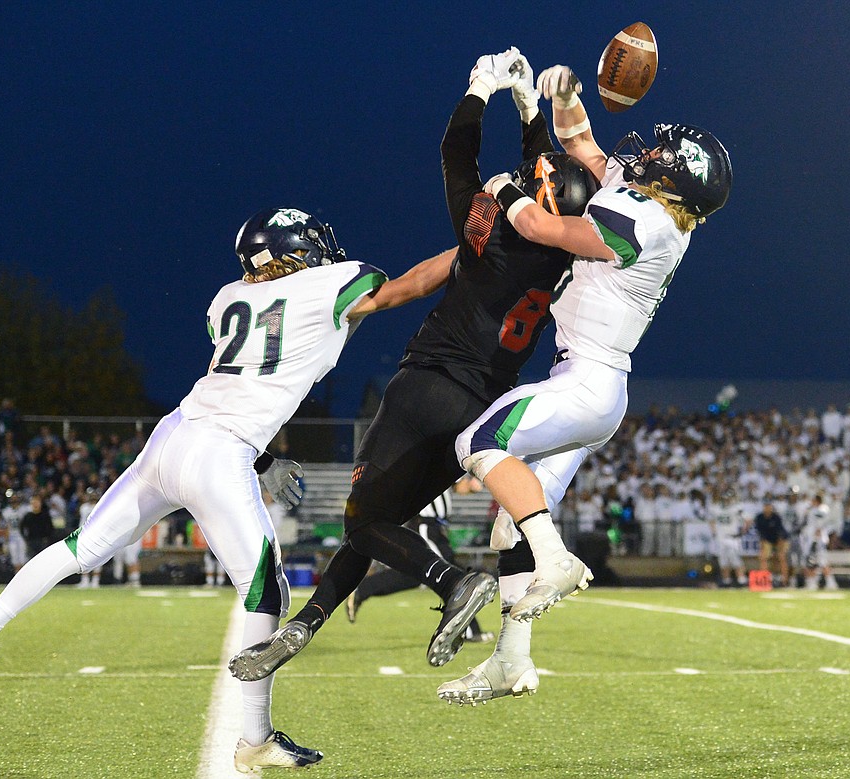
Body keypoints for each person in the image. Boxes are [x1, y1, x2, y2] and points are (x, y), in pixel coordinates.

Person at [0, 206, 455, 773]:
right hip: (220, 450)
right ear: (295, 251)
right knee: (266, 592)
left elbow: (248, 370)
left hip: (174, 436)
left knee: (82, 547)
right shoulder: (328, 282)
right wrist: (480, 249)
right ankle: (255, 737)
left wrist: (262, 462)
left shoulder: (227, 297)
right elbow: (402, 289)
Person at [231, 49, 599, 685]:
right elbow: (553, 173)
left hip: (428, 384)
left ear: (535, 202)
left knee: (365, 519)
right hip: (483, 405)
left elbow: (457, 156)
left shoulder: (494, 234)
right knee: (382, 521)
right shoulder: (570, 255)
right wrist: (530, 108)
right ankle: (306, 624)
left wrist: (481, 89)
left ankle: (456, 583)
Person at [441, 58, 732, 704]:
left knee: (478, 443)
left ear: (678, 179)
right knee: (513, 522)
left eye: (663, 152)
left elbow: (544, 227)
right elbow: (582, 144)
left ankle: (558, 556)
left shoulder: (648, 224)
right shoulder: (654, 199)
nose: (649, 151)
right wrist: (564, 93)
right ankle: (511, 660)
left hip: (589, 383)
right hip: (593, 384)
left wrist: (504, 190)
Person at [344, 489, 492, 644]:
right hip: (426, 526)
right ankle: (468, 630)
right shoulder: (431, 466)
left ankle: (362, 590)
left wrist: (470, 485)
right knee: (450, 576)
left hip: (435, 527)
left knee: (414, 576)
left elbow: (461, 486)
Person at [709, 490, 749, 587]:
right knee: (723, 560)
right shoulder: (716, 508)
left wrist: (743, 531)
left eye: (729, 499)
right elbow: (711, 521)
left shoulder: (736, 508)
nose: (727, 501)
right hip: (721, 538)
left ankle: (741, 579)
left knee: (735, 558)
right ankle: (726, 580)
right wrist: (714, 532)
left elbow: (748, 519)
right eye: (726, 499)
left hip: (732, 538)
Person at [754, 500, 790, 586]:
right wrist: (762, 546)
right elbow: (760, 533)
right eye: (766, 507)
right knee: (763, 557)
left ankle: (784, 580)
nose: (767, 509)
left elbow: (780, 533)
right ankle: (764, 581)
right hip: (767, 540)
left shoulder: (776, 517)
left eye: (769, 507)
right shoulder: (759, 517)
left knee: (781, 557)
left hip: (781, 539)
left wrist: (779, 547)